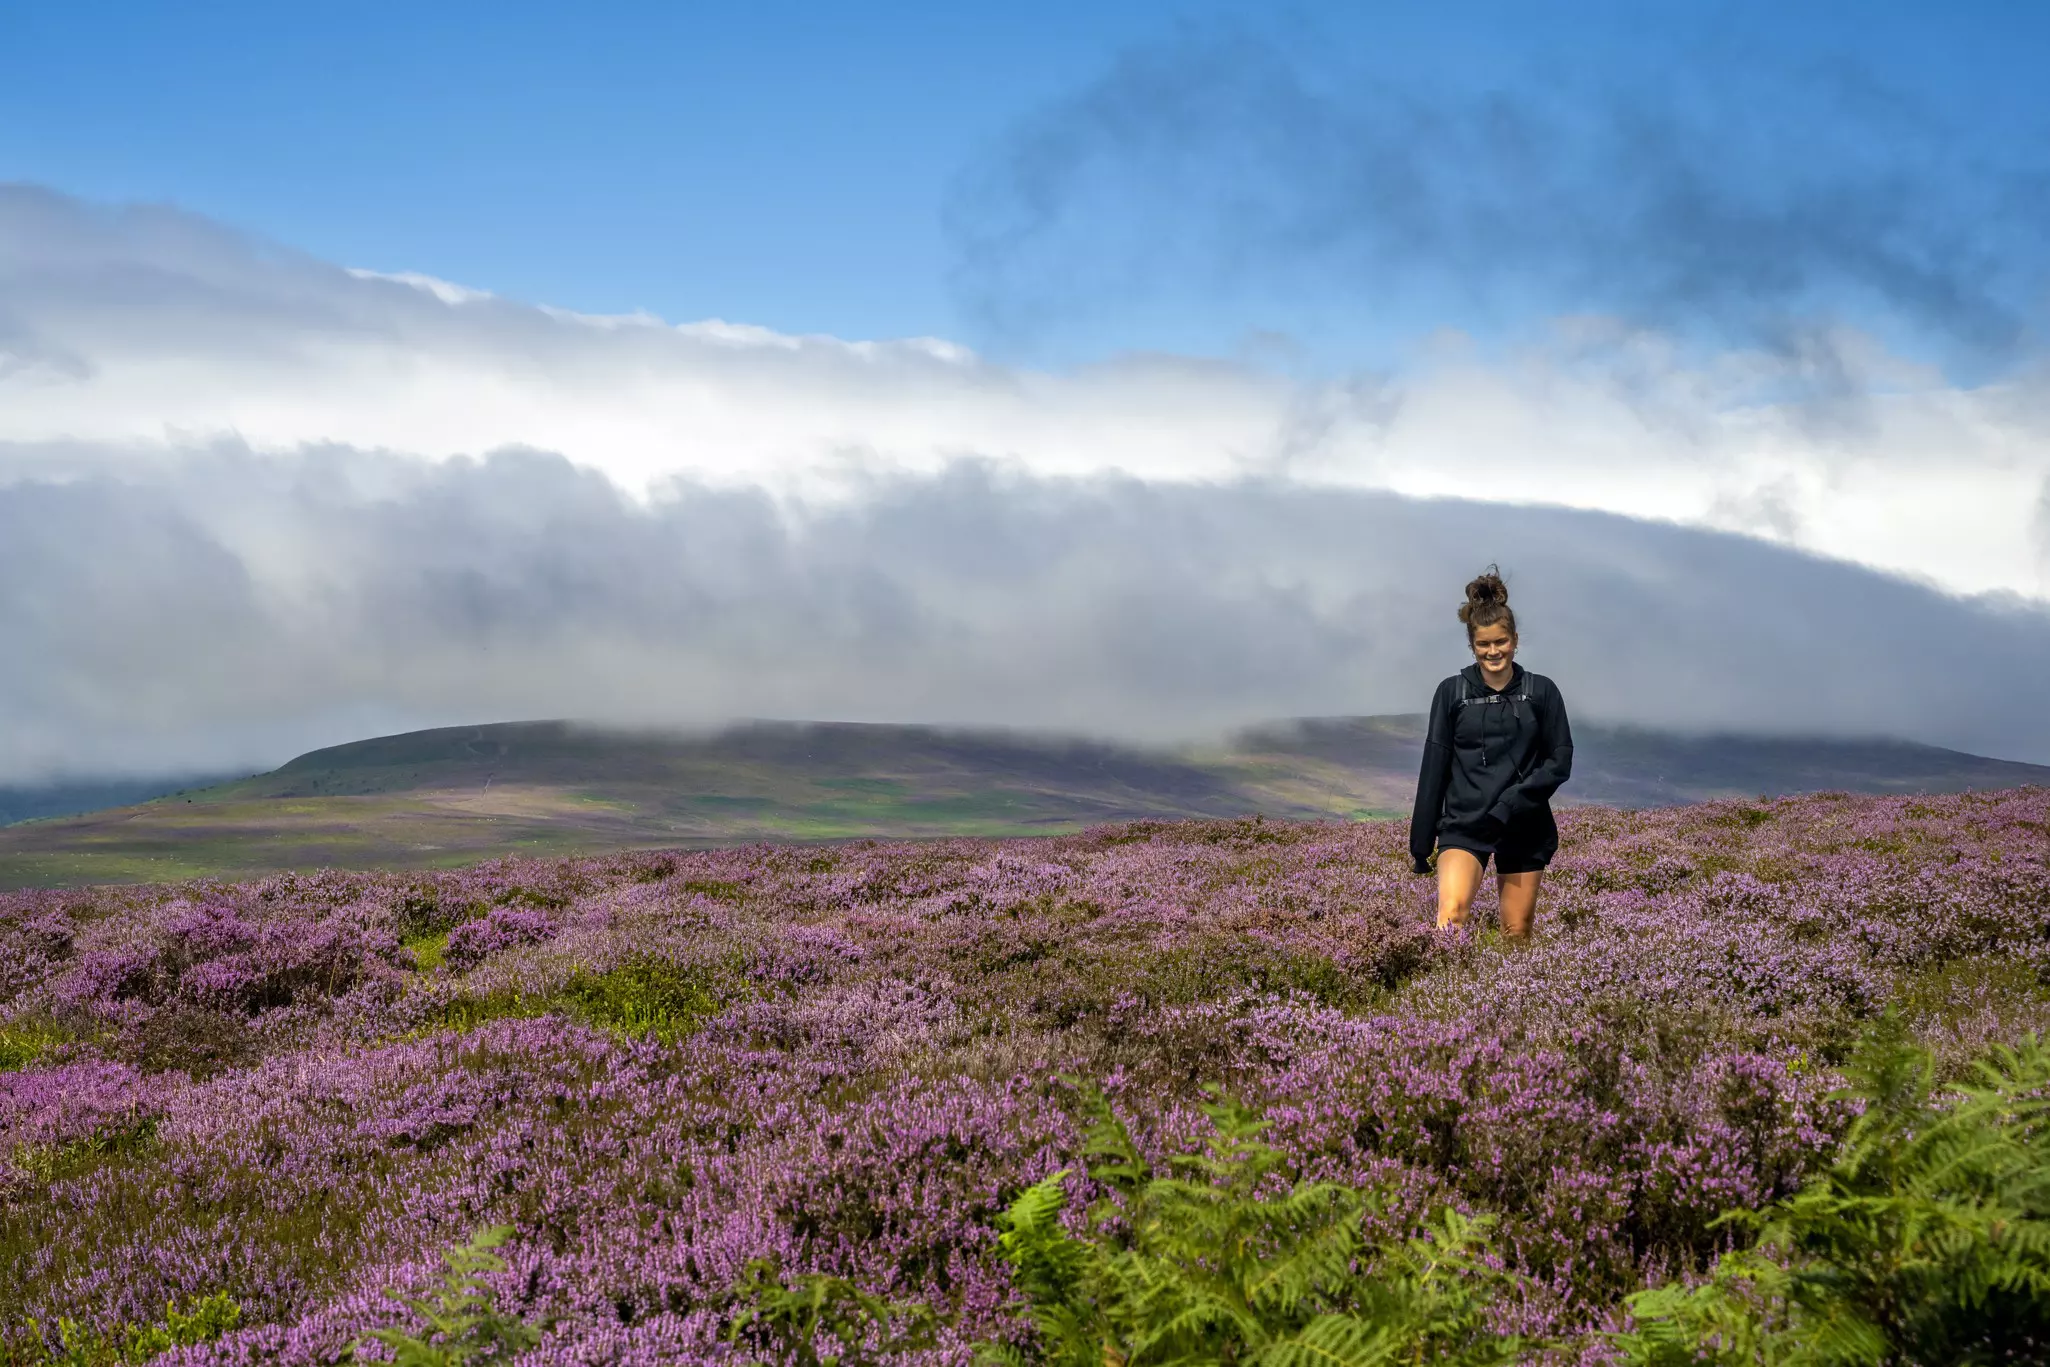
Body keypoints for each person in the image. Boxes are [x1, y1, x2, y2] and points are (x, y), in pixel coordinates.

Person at [1408, 567, 1573, 937]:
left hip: (1525, 825)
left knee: (1517, 932)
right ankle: (1446, 994)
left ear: (1515, 639)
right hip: (1465, 825)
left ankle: (1512, 996)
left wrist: (1513, 801)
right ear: (1472, 645)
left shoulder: (1542, 692)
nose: (1493, 651)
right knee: (1450, 918)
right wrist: (1421, 844)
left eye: (1501, 642)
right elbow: (1435, 765)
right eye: (1484, 644)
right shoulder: (1451, 693)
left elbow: (1559, 760)